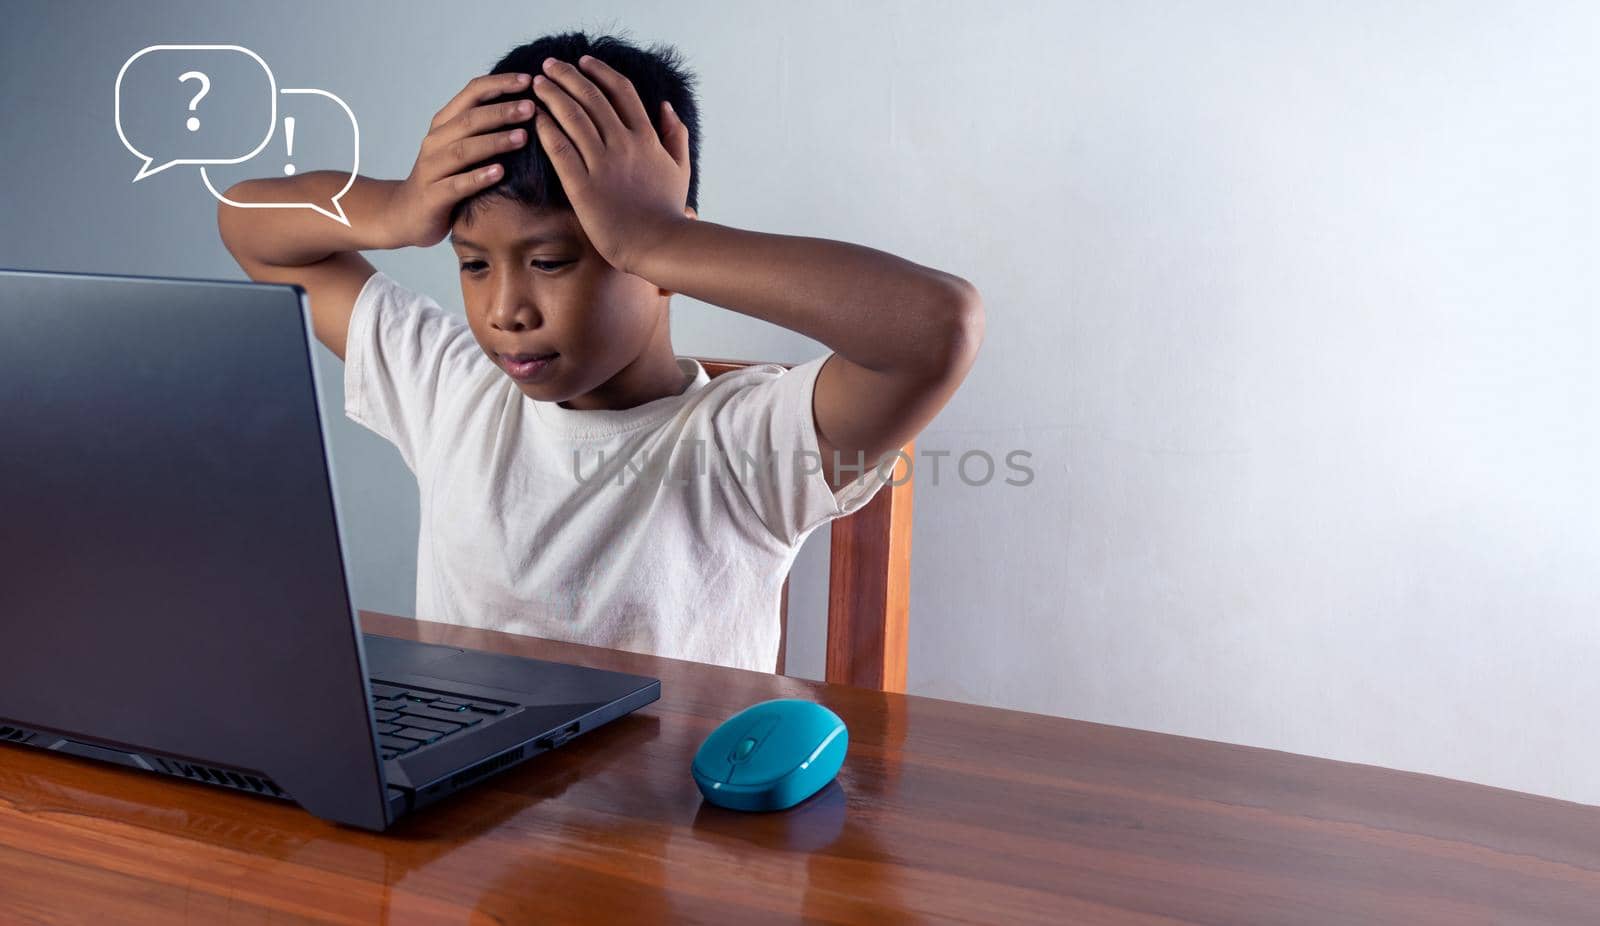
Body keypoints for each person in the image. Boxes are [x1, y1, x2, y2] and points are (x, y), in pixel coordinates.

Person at [216, 31, 983, 673]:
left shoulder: (748, 441)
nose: (505, 310)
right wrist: (397, 207)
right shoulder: (449, 388)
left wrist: (660, 239)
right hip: (468, 830)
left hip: (665, 844)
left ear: (657, 258)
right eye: (474, 264)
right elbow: (247, 224)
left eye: (550, 263)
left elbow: (936, 327)